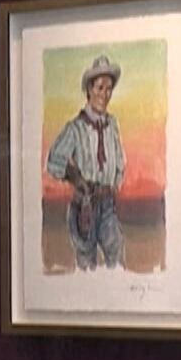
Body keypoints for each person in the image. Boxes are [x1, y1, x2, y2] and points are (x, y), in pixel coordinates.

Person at [45, 55, 127, 270]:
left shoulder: (112, 125)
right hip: (85, 205)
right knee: (86, 263)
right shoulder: (76, 128)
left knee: (116, 251)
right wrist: (76, 178)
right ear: (89, 89)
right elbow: (53, 161)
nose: (105, 94)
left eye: (109, 89)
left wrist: (113, 186)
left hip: (107, 205)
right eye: (100, 88)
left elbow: (119, 162)